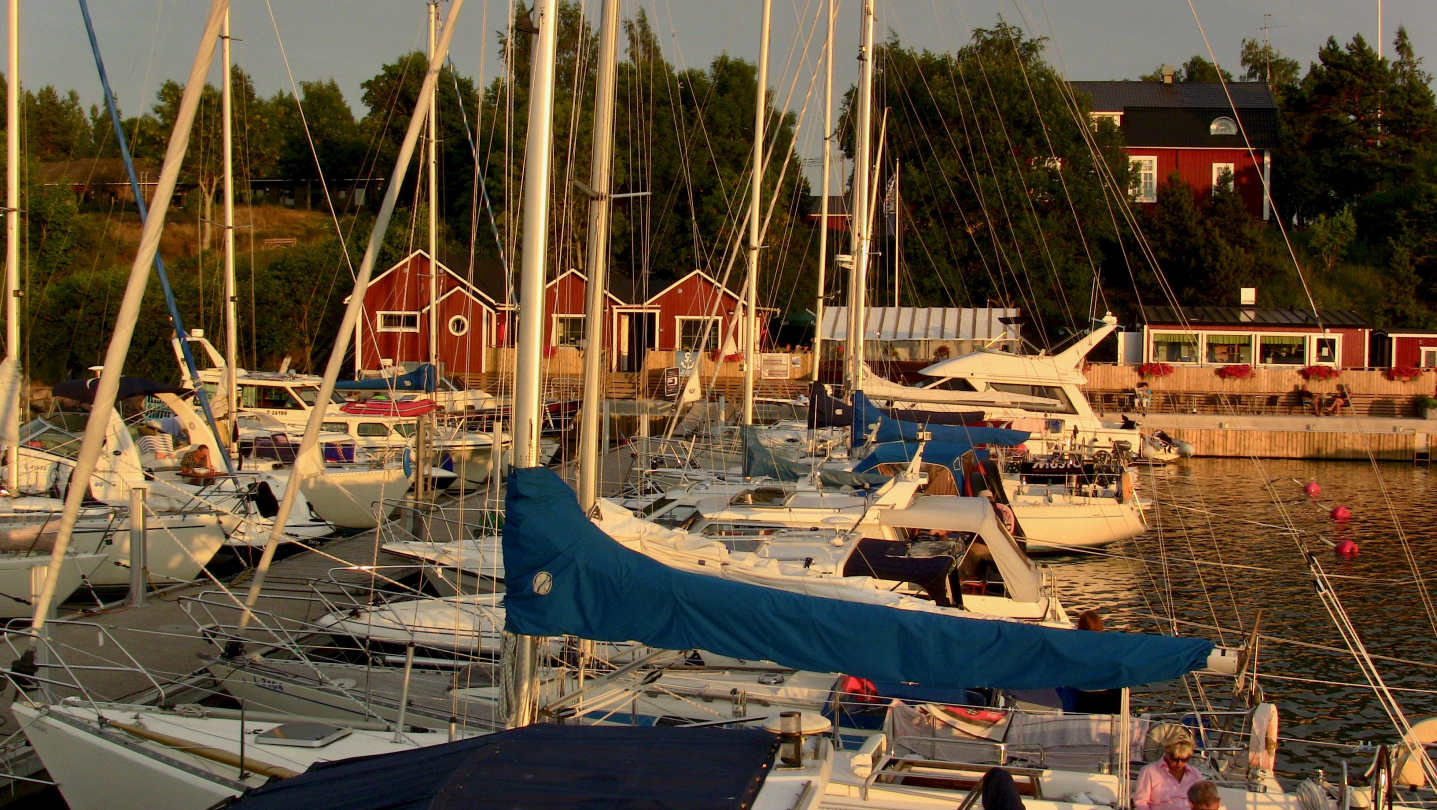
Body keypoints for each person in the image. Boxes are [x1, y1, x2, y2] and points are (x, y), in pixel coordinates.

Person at [1134, 739, 1203, 810]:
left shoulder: (1195, 774)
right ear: (1167, 754)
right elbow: (1141, 802)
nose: (1179, 763)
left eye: (1184, 760)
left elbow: (1201, 801)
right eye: (1175, 759)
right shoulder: (1149, 771)